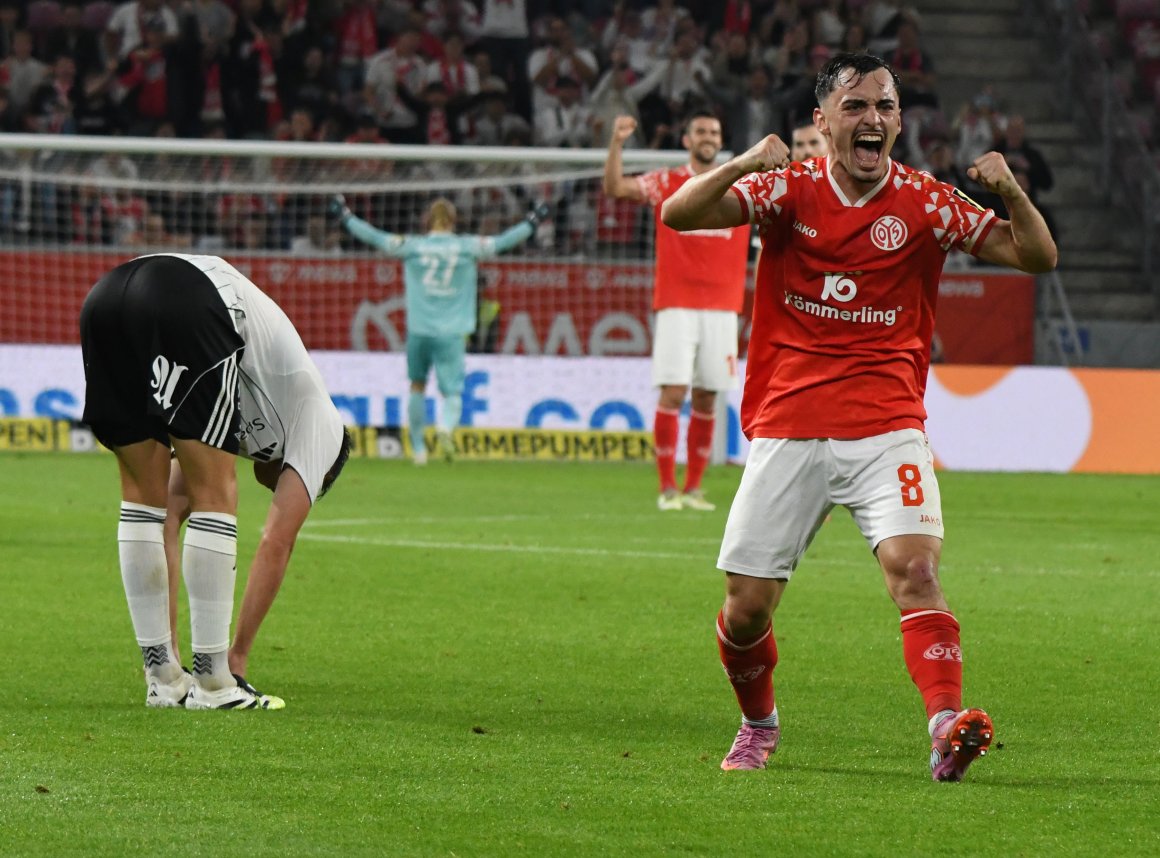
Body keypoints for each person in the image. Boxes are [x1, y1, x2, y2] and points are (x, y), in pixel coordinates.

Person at [660, 52, 1056, 778]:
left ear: (899, 121)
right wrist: (746, 161)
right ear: (823, 122)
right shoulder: (788, 190)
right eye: (855, 107)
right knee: (746, 608)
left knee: (916, 571)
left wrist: (1013, 194)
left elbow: (1037, 256)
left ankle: (944, 726)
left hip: (887, 427)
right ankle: (758, 725)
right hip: (790, 424)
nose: (871, 119)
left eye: (884, 107)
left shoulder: (927, 202)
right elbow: (679, 213)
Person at [79, 253, 353, 710]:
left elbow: (169, 514)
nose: (277, 485)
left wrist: (167, 650)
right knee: (219, 493)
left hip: (108, 296)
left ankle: (164, 679)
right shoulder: (325, 426)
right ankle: (214, 685)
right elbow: (276, 543)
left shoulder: (258, 407)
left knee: (144, 501)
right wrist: (237, 657)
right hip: (192, 297)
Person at [602, 111, 751, 512]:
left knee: (706, 397)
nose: (708, 137)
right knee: (673, 391)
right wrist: (617, 142)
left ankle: (695, 488)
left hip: (723, 308)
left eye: (715, 131)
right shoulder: (667, 181)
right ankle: (667, 487)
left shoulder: (742, 182)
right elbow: (615, 187)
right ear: (687, 140)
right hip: (676, 304)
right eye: (701, 131)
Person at [331, 194, 549, 465]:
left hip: (419, 330)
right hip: (452, 331)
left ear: (427, 221)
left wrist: (346, 216)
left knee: (417, 386)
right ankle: (445, 429)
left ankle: (419, 451)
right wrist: (533, 220)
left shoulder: (412, 246)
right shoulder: (468, 247)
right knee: (453, 393)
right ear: (454, 221)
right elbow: (504, 241)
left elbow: (375, 236)